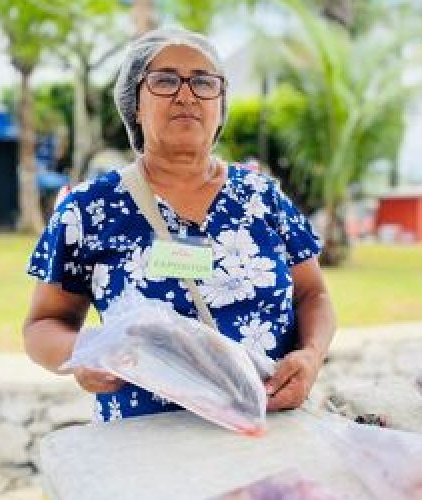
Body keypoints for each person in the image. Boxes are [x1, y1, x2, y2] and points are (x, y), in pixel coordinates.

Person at [23, 27, 335, 422]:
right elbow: (42, 325)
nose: (185, 94)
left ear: (220, 105)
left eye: (204, 82)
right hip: (146, 451)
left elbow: (314, 295)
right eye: (165, 80)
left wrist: (310, 355)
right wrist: (84, 353)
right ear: (136, 103)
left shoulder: (263, 198)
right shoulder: (89, 208)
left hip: (267, 434)